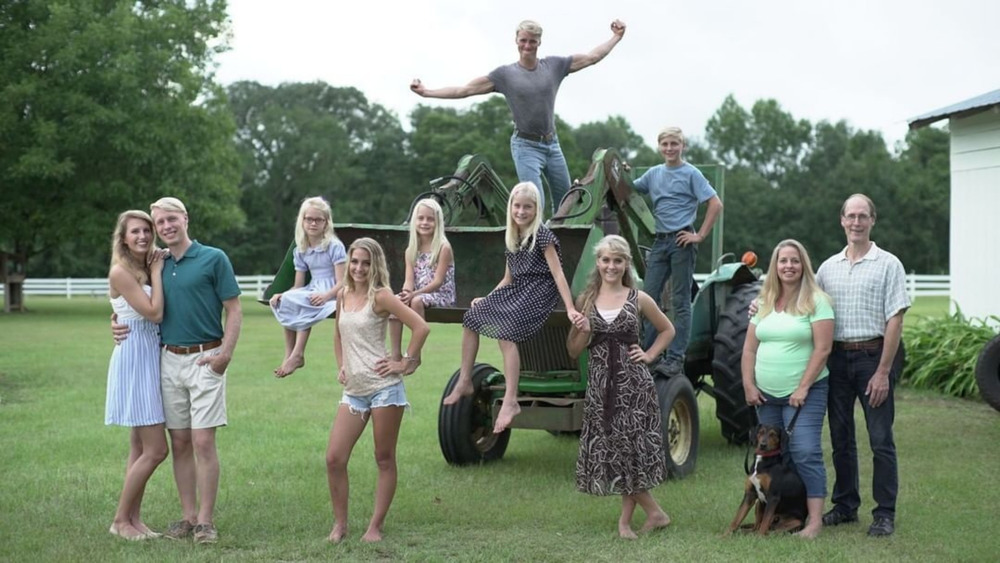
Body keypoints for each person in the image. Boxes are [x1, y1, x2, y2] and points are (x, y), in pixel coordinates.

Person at [113, 196, 242, 544]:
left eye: (172, 219)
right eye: (160, 223)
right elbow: (132, 302)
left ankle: (205, 521)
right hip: (167, 359)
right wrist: (115, 321)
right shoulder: (158, 262)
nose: (166, 227)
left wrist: (225, 354)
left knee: (203, 441)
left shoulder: (214, 258)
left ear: (185, 218)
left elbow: (234, 309)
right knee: (180, 442)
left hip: (206, 358)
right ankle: (187, 517)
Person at [410, 19, 626, 215]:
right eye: (523, 40)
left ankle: (559, 245)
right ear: (516, 40)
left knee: (567, 200)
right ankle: (536, 244)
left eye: (532, 41)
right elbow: (464, 90)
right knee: (535, 201)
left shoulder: (553, 66)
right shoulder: (505, 75)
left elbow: (592, 58)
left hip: (552, 144)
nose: (527, 46)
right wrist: (427, 92)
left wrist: (616, 37)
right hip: (525, 146)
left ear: (539, 43)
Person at [442, 182, 583, 433]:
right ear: (510, 208)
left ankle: (510, 401)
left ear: (536, 209)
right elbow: (508, 279)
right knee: (471, 317)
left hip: (540, 290)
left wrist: (570, 308)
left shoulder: (543, 236)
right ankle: (465, 380)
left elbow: (558, 275)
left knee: (506, 332)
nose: (521, 211)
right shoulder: (512, 236)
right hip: (517, 289)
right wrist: (487, 299)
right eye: (517, 206)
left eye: (527, 207)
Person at [567, 235, 675, 539]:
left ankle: (627, 522)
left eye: (617, 260)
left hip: (635, 386)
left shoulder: (638, 298)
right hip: (601, 387)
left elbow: (668, 329)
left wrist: (650, 354)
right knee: (612, 450)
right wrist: (582, 330)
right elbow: (574, 351)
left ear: (625, 264)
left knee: (630, 452)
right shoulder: (585, 301)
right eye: (605, 260)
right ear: (597, 263)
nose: (611, 266)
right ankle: (655, 513)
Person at [817, 194, 910, 537]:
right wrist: (760, 305)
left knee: (880, 439)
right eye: (850, 216)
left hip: (874, 358)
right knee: (841, 439)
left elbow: (895, 320)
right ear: (841, 220)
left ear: (873, 220)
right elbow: (802, 303)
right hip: (837, 360)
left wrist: (883, 372)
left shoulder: (889, 264)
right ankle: (845, 505)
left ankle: (884, 512)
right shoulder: (827, 269)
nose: (856, 222)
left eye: (863, 216)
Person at [327, 238, 430, 543]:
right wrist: (341, 365)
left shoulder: (381, 296)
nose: (359, 268)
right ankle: (340, 525)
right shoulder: (343, 294)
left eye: (366, 262)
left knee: (383, 458)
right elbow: (337, 334)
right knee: (334, 458)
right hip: (355, 391)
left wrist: (404, 362)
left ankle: (375, 527)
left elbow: (421, 327)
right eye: (355, 261)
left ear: (376, 265)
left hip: (385, 389)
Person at [741, 239, 834, 539]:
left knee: (805, 452)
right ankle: (782, 516)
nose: (789, 266)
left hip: (805, 392)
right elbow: (749, 350)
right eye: (783, 261)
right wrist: (748, 384)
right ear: (775, 266)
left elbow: (823, 349)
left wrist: (803, 387)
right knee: (778, 458)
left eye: (795, 261)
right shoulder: (764, 302)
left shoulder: (817, 301)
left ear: (803, 265)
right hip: (766, 395)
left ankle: (815, 522)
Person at [633, 126, 723, 376]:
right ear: (659, 147)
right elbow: (629, 189)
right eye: (665, 144)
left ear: (683, 146)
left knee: (680, 301)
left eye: (675, 144)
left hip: (682, 241)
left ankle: (675, 357)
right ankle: (650, 355)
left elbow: (715, 204)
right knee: (648, 297)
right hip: (659, 242)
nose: (670, 149)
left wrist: (699, 235)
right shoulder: (653, 174)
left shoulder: (691, 173)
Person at [105, 210, 169, 540]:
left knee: (138, 447)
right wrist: (157, 271)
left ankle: (134, 520)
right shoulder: (121, 271)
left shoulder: (146, 266)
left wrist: (155, 269)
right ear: (124, 238)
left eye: (146, 230)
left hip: (148, 354)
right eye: (135, 231)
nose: (143, 236)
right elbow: (155, 313)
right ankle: (119, 520)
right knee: (157, 450)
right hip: (135, 359)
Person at [269, 196, 347, 377]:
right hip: (312, 288)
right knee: (287, 300)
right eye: (309, 219)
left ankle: (298, 353)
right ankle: (289, 353)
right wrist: (281, 294)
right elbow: (298, 285)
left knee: (308, 300)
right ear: (302, 221)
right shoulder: (301, 249)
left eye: (318, 220)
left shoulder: (334, 246)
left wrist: (327, 296)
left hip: (333, 291)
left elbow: (343, 281)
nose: (313, 223)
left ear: (326, 223)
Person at [390, 198, 455, 361]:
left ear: (437, 222)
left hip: (441, 295)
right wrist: (406, 293)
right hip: (417, 294)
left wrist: (413, 295)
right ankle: (395, 353)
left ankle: (415, 354)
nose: (425, 223)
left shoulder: (443, 248)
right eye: (421, 218)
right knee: (394, 302)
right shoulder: (411, 250)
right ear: (414, 221)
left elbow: (438, 281)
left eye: (430, 219)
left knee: (417, 301)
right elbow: (409, 280)